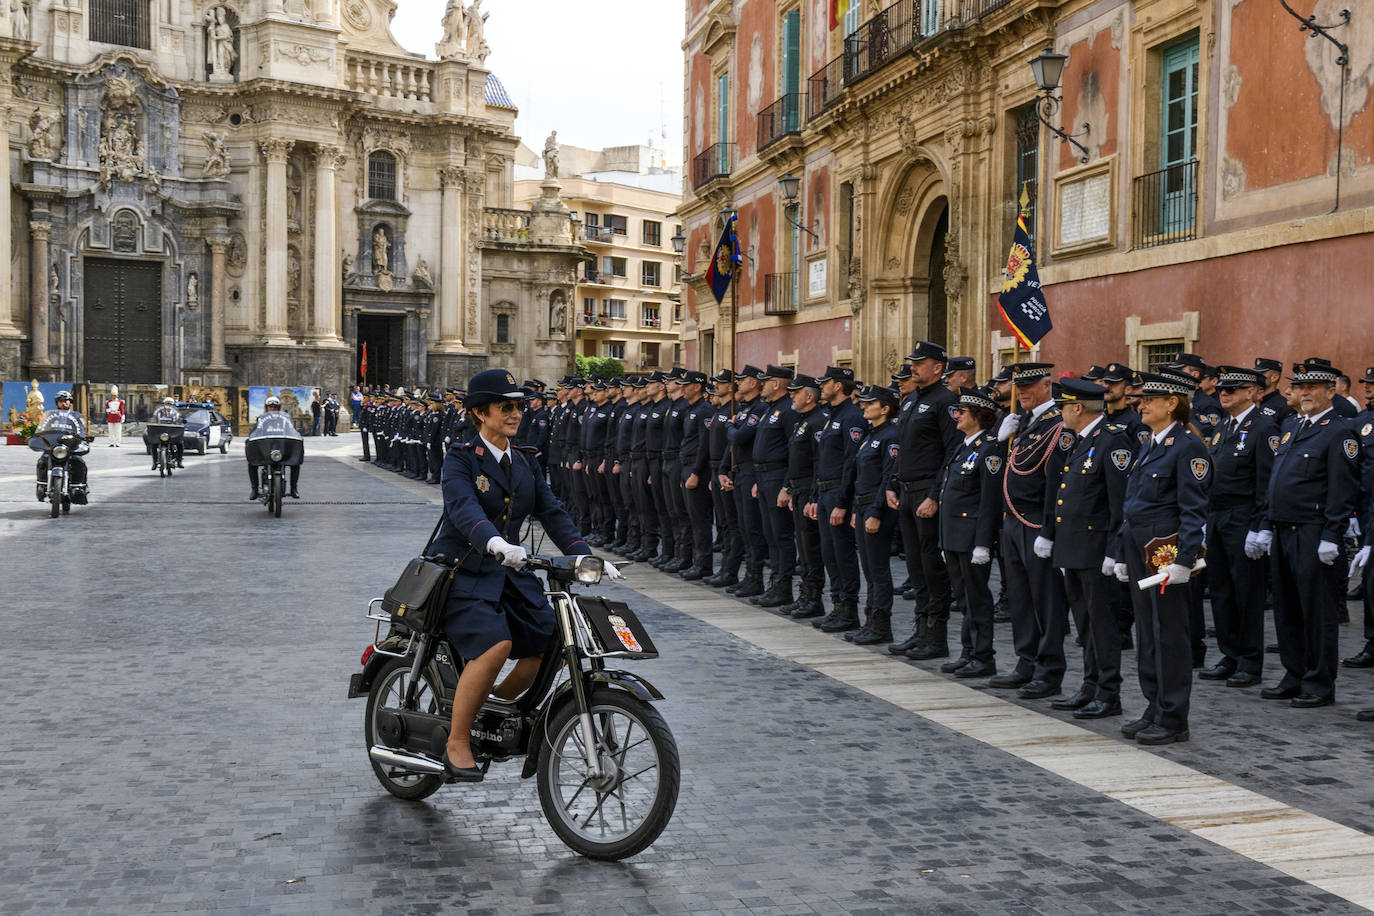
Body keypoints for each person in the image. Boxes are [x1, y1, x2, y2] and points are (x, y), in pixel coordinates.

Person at [429, 368, 622, 781]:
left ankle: (491, 709)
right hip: (464, 568)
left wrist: (585, 558)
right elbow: (463, 510)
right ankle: (458, 739)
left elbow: (552, 512)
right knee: (496, 646)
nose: (517, 413)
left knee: (550, 638)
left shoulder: (524, 461)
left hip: (508, 569)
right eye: (506, 406)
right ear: (481, 413)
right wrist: (496, 543)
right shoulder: (461, 458)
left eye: (519, 405)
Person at [1113, 370, 1210, 745]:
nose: (1143, 403)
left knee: (1169, 633)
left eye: (1151, 398)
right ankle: (1154, 706)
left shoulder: (1187, 446)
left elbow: (1193, 508)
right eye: (1143, 398)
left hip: (1165, 549)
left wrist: (1184, 559)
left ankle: (1173, 716)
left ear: (1173, 403)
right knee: (1148, 631)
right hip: (1141, 545)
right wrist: (1123, 550)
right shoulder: (1152, 443)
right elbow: (1132, 503)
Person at [1258, 359, 1359, 710]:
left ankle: (1318, 681)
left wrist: (1334, 533)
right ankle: (1294, 672)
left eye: (1312, 388)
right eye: (1300, 388)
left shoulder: (1339, 430)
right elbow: (1277, 481)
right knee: (1287, 608)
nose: (1305, 394)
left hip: (1314, 533)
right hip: (1284, 529)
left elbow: (1341, 488)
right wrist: (1268, 525)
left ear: (1331, 391)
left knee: (1317, 611)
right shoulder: (1291, 426)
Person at [1041, 378, 1132, 718]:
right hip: (1075, 549)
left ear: (1077, 408)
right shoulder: (1082, 441)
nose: (1060, 413)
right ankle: (1090, 686)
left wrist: (1114, 551)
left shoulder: (1112, 441)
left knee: (1103, 626)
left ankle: (1109, 693)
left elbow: (1119, 504)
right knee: (1085, 625)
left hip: (1097, 552)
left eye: (1063, 407)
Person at [991, 363, 1072, 698]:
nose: (1021, 393)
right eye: (1018, 388)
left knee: (1046, 601)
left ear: (1047, 385)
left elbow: (1057, 481)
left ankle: (1049, 669)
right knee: (1021, 598)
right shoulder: (1022, 421)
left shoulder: (1057, 424)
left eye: (1028, 387)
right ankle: (1026, 660)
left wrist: (1049, 529)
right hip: (1013, 520)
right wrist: (1000, 438)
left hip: (1036, 522)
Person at [1201, 367, 1278, 688]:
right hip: (1217, 518)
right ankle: (1229, 653)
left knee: (1246, 593)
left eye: (1234, 389)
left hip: (1243, 519)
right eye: (1222, 389)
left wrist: (1260, 527)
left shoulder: (1264, 428)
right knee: (1220, 590)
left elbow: (1267, 484)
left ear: (1254, 393)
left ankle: (1249, 660)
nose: (1224, 393)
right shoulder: (1222, 427)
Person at [886, 341, 959, 659]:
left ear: (938, 367)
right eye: (912, 362)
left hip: (927, 492)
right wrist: (892, 482)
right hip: (905, 490)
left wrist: (935, 495)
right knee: (915, 567)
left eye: (919, 363)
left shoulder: (946, 402)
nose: (912, 368)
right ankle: (920, 630)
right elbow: (903, 447)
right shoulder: (910, 400)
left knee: (932, 567)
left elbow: (952, 452)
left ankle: (936, 636)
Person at [934, 386, 1003, 678]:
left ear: (978, 414)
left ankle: (983, 655)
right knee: (963, 598)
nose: (957, 415)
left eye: (962, 411)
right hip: (953, 536)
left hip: (971, 538)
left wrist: (983, 543)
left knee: (977, 598)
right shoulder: (963, 446)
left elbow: (989, 501)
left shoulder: (989, 449)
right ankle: (968, 651)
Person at [844, 384, 901, 644]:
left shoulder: (891, 435)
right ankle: (869, 621)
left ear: (885, 408)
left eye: (870, 403)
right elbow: (861, 477)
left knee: (878, 568)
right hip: (864, 506)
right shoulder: (872, 434)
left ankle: (881, 624)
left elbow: (887, 478)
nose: (863, 406)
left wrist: (876, 511)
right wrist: (858, 509)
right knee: (868, 567)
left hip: (877, 509)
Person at [34, 391, 89, 503]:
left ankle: (78, 487)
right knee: (43, 460)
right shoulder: (51, 416)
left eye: (66, 401)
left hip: (70, 446)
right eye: (61, 401)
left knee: (79, 461)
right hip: (54, 445)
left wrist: (83, 439)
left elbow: (82, 430)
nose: (64, 403)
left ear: (70, 402)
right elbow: (43, 428)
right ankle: (42, 485)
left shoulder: (76, 416)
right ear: (57, 403)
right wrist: (38, 436)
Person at [247, 396, 302, 499]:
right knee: (252, 463)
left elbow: (291, 430)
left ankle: (294, 488)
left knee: (295, 463)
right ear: (266, 408)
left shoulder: (285, 419)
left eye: (275, 407)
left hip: (282, 447)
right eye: (270, 407)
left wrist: (296, 435)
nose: (273, 409)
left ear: (279, 408)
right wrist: (252, 437)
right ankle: (254, 489)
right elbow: (255, 432)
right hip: (266, 449)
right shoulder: (261, 419)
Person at [145, 397, 186, 469]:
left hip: (171, 432)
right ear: (164, 404)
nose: (168, 405)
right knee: (154, 445)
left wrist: (181, 421)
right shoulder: (159, 411)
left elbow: (179, 420)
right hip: (160, 432)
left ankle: (179, 461)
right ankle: (155, 462)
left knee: (180, 444)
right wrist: (152, 422)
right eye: (167, 404)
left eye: (170, 404)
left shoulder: (175, 412)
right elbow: (154, 419)